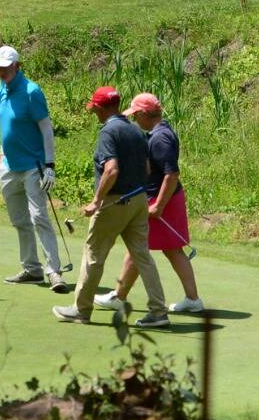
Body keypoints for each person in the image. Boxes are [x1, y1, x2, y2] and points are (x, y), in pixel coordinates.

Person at [52, 86, 168, 327]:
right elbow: (147, 169)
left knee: (93, 254)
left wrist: (96, 200)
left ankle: (81, 310)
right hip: (138, 200)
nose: (93, 111)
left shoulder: (108, 132)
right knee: (142, 256)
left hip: (115, 201)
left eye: (94, 108)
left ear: (100, 108)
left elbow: (111, 169)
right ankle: (158, 311)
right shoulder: (136, 130)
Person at [98, 92, 203, 316]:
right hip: (167, 198)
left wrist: (158, 206)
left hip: (163, 200)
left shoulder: (160, 138)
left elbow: (171, 174)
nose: (135, 120)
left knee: (138, 247)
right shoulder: (160, 132)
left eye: (136, 115)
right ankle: (192, 299)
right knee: (170, 250)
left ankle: (119, 296)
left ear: (146, 114)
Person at [0, 45, 70, 291]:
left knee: (39, 218)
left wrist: (50, 165)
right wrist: (1, 155)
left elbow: (46, 128)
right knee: (19, 220)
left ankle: (54, 271)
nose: (2, 72)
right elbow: (5, 126)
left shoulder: (32, 91)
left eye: (6, 68)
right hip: (8, 166)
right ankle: (32, 269)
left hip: (33, 166)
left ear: (17, 66)